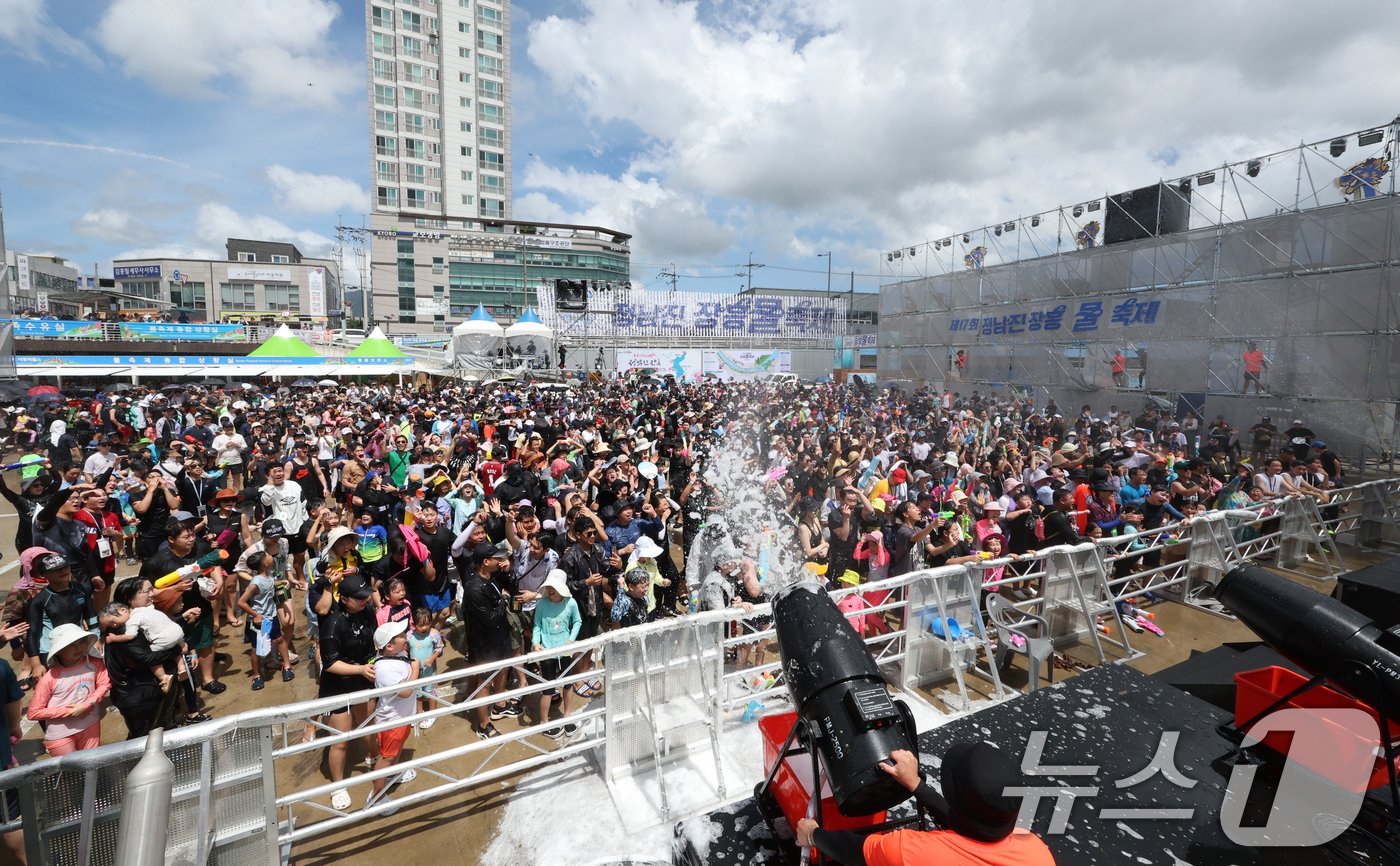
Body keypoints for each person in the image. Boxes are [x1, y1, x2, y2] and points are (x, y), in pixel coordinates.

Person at [796, 745, 1055, 865]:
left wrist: (811, 834)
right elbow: (968, 831)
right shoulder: (1037, 852)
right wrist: (916, 785)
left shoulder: (913, 853)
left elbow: (856, 850)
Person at [316, 572, 379, 813]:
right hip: (338, 686)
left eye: (367, 595)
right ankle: (338, 785)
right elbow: (330, 663)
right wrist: (360, 669)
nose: (366, 600)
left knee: (367, 724)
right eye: (360, 597)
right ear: (344, 599)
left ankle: (374, 757)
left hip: (364, 678)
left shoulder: (367, 611)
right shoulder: (333, 624)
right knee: (341, 739)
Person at [25, 624, 110, 756]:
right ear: (58, 650)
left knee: (92, 766)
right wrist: (68, 711)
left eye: (82, 642)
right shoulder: (50, 678)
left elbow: (104, 683)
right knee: (68, 773)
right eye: (71, 645)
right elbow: (34, 712)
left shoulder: (94, 663)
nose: (78, 648)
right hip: (61, 733)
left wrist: (88, 704)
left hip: (91, 724)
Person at [366, 619, 419, 813]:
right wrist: (416, 669)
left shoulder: (397, 656)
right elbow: (404, 691)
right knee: (386, 757)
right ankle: (377, 796)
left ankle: (392, 773)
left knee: (395, 752)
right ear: (389, 646)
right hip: (392, 721)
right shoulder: (385, 668)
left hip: (402, 717)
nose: (406, 637)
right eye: (401, 636)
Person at [531, 569, 581, 740]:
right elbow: (537, 625)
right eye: (549, 587)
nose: (551, 590)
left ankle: (567, 716)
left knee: (568, 685)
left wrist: (571, 639)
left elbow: (577, 621)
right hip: (547, 652)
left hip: (565, 652)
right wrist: (535, 643)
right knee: (548, 689)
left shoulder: (571, 603)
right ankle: (544, 722)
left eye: (554, 587)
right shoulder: (541, 604)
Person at [237, 551, 295, 690]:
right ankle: (256, 675)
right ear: (266, 563)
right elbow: (241, 602)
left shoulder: (268, 576)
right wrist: (255, 615)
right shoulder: (255, 582)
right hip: (260, 620)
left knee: (279, 639)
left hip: (271, 616)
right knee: (257, 648)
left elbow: (270, 583)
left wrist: (281, 582)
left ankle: (287, 666)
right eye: (268, 555)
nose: (271, 556)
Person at [24, 553, 96, 666]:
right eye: (55, 570)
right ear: (43, 575)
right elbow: (32, 633)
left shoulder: (81, 589)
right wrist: (36, 663)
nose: (62, 571)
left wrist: (95, 639)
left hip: (78, 645)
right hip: (52, 652)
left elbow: (91, 615)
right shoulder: (39, 601)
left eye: (65, 567)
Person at [99, 600, 185, 693]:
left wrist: (113, 638)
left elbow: (130, 636)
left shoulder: (132, 621)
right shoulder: (142, 609)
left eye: (113, 622)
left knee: (152, 656)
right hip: (177, 631)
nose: (114, 625)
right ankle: (182, 668)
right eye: (110, 625)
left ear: (123, 610)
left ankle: (163, 677)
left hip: (165, 638)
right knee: (173, 645)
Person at [406, 607, 444, 730]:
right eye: (420, 625)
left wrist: (432, 658)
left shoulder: (434, 634)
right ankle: (420, 713)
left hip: (429, 670)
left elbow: (439, 648)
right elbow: (405, 651)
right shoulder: (409, 636)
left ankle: (433, 714)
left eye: (427, 624)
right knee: (417, 692)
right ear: (413, 624)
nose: (424, 628)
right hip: (415, 671)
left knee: (430, 690)